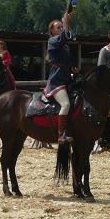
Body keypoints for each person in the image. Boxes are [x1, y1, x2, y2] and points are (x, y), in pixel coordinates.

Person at [45, 12, 76, 144]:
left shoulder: (65, 46)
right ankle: (61, 135)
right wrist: (66, 22)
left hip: (67, 78)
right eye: (58, 27)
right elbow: (63, 38)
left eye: (61, 27)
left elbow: (70, 61)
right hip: (57, 81)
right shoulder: (52, 41)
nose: (61, 29)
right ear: (51, 30)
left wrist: (74, 68)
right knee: (66, 104)